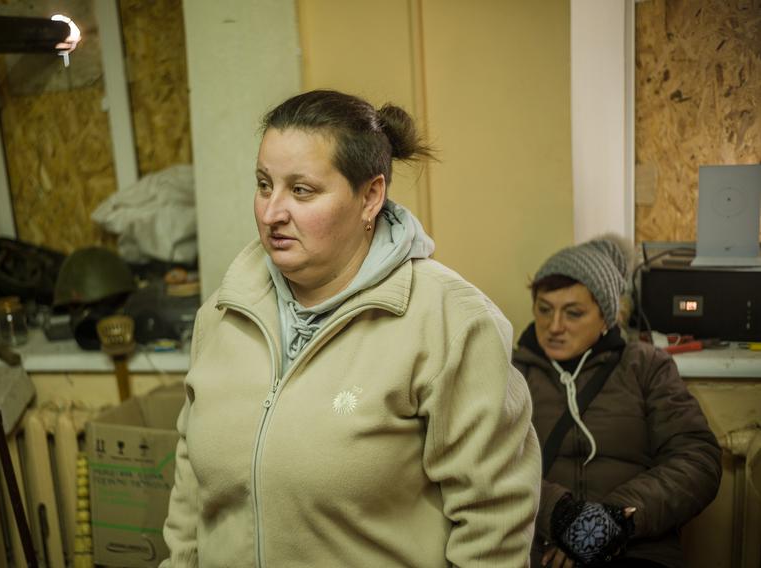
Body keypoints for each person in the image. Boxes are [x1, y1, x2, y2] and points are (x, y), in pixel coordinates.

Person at [160, 89, 541, 567]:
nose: (272, 212)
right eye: (263, 184)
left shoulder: (452, 323)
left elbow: (494, 526)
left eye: (302, 190)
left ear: (370, 197)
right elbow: (191, 495)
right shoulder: (221, 315)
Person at [513, 236, 722, 567]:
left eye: (574, 313)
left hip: (637, 548)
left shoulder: (646, 366)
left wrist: (612, 521)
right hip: (540, 551)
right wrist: (560, 515)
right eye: (544, 309)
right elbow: (489, 464)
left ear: (606, 317)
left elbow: (696, 460)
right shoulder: (513, 375)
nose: (554, 327)